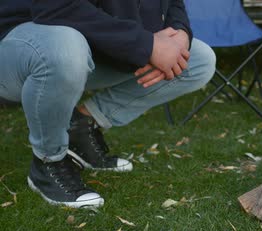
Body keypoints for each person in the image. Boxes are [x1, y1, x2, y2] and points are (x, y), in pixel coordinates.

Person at [0, 0, 216, 208]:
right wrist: (147, 45)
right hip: (21, 42)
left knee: (196, 59)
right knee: (65, 50)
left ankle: (81, 126)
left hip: (89, 39)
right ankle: (48, 160)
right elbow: (55, 7)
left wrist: (180, 36)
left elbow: (173, 3)